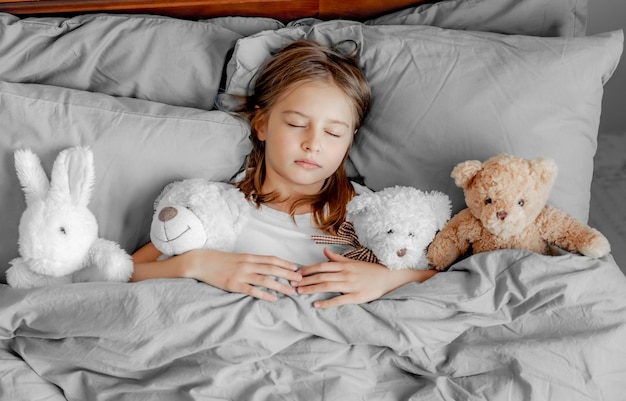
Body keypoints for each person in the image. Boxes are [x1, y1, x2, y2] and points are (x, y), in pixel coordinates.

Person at [131, 39, 437, 308]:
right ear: (262, 124)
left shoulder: (372, 213)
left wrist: (385, 280)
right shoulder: (218, 207)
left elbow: (440, 279)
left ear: (350, 140)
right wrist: (196, 264)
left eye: (333, 132)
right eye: (295, 124)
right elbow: (122, 272)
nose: (312, 144)